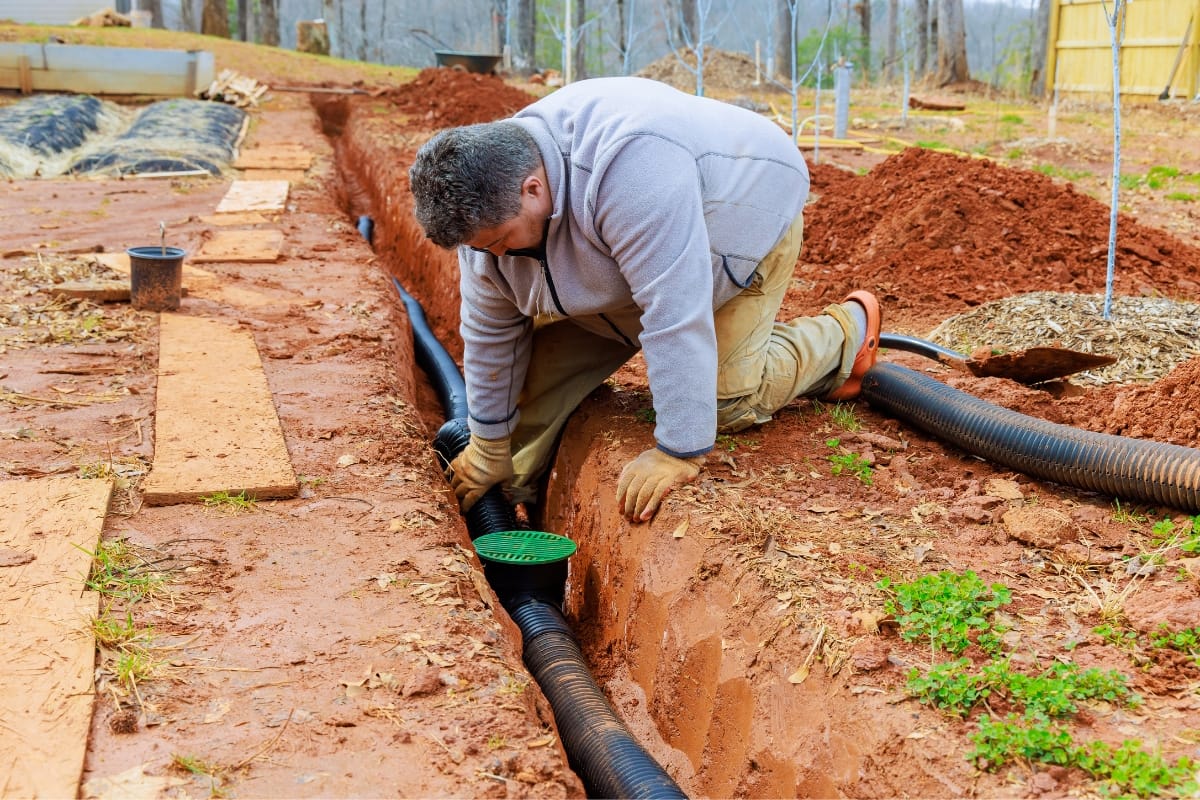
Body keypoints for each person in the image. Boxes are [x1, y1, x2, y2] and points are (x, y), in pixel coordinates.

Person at [408, 76, 880, 523]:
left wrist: (678, 450)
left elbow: (675, 314)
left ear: (533, 190)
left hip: (738, 222)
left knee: (725, 402)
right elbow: (491, 331)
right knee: (525, 396)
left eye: (499, 242)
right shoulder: (490, 209)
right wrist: (489, 445)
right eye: (480, 249)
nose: (493, 257)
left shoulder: (630, 169)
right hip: (626, 264)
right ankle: (517, 509)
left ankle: (844, 333)